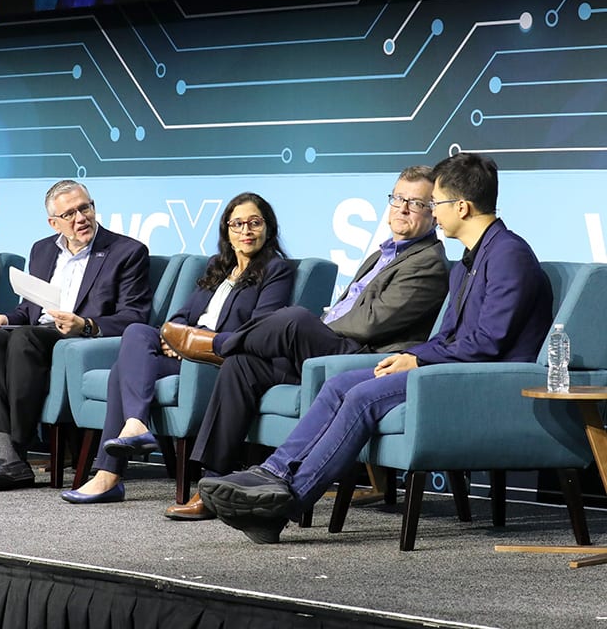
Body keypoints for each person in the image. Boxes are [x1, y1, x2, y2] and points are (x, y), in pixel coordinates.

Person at [198, 152, 553, 544]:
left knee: (362, 396)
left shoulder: (508, 255)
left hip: (482, 380)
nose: (433, 211)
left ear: (462, 207)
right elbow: (448, 336)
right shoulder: (469, 261)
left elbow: (488, 343)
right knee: (339, 385)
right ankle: (274, 473)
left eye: (435, 203)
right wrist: (414, 356)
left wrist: (418, 359)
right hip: (450, 367)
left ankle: (286, 502)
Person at [161, 165, 449, 519]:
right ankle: (212, 482)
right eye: (398, 199)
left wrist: (318, 326)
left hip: (360, 355)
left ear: (434, 212)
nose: (402, 209)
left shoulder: (428, 262)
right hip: (328, 350)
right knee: (241, 365)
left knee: (294, 319)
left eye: (415, 203)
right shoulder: (381, 254)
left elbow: (372, 323)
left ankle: (216, 345)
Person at [60, 193, 295, 504]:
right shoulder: (218, 267)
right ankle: (134, 426)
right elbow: (181, 316)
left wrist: (193, 342)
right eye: (237, 224)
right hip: (186, 352)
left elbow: (258, 329)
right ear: (226, 230)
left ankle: (109, 475)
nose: (246, 231)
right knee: (137, 335)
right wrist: (177, 338)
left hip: (218, 358)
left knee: (120, 372)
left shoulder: (276, 269)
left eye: (254, 223)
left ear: (268, 227)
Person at [0, 179, 152, 491]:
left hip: (80, 339)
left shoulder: (126, 252)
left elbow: (134, 316)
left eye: (85, 208)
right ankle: (7, 455)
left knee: (24, 338)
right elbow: (29, 309)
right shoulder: (42, 249)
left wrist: (85, 324)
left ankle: (17, 451)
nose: (81, 218)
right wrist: (6, 318)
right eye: (70, 214)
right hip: (38, 331)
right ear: (54, 222)